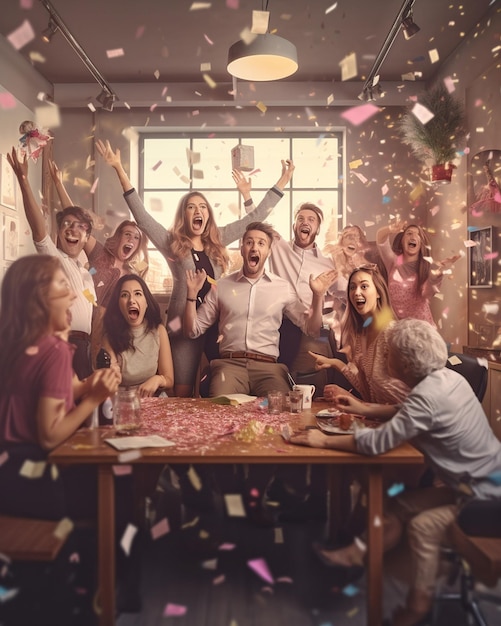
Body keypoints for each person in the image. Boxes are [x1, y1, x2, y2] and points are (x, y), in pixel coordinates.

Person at [289, 318, 501, 626]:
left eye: (389, 354)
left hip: (483, 500)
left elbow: (377, 443)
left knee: (422, 526)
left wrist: (322, 440)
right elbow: (408, 411)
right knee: (400, 505)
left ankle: (417, 606)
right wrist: (363, 408)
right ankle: (356, 554)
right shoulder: (448, 379)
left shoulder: (426, 397)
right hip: (480, 484)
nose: (385, 358)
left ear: (404, 363)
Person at [96, 139, 295, 397]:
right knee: (182, 391)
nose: (197, 211)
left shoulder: (219, 238)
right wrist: (118, 169)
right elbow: (143, 218)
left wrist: (282, 183)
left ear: (208, 215)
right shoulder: (172, 243)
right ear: (184, 215)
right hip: (182, 328)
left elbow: (253, 219)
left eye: (202, 207)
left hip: (217, 326)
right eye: (191, 207)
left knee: (220, 394)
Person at [0, 256, 140, 613]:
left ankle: (89, 580)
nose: (73, 294)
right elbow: (49, 435)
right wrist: (93, 398)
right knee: (123, 489)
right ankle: (106, 590)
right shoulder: (55, 352)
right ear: (38, 300)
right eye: (62, 286)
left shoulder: (19, 345)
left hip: (9, 476)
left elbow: (47, 393)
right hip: (37, 479)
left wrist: (84, 387)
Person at [184, 221, 337, 396]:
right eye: (249, 242)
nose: (254, 247)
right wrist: (191, 294)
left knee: (283, 413)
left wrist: (317, 296)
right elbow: (192, 330)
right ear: (242, 249)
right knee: (220, 411)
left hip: (269, 369)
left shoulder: (283, 288)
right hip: (229, 367)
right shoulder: (222, 286)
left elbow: (313, 329)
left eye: (261, 243)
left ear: (269, 252)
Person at [7, 147, 96, 380]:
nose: (72, 230)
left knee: (84, 407)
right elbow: (38, 228)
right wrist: (23, 181)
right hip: (63, 342)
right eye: (66, 225)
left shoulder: (85, 268)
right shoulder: (54, 258)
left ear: (86, 238)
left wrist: (59, 183)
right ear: (58, 232)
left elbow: (76, 216)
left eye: (79, 228)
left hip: (86, 348)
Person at [310, 264, 409, 407]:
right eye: (352, 287)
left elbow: (406, 404)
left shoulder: (392, 334)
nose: (356, 292)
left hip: (404, 422)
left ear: (379, 292)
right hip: (377, 419)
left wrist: (350, 398)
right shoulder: (359, 336)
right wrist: (336, 364)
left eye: (364, 286)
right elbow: (368, 391)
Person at [266, 203, 339, 390]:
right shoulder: (279, 246)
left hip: (308, 326)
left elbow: (346, 289)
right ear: (294, 226)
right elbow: (260, 222)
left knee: (310, 371)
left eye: (311, 220)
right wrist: (247, 195)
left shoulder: (326, 263)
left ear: (317, 229)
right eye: (300, 219)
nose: (305, 222)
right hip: (278, 321)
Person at [102, 274, 174, 397]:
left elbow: (169, 380)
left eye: (138, 294)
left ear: (146, 302)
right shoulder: (109, 337)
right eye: (124, 295)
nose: (131, 300)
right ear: (118, 305)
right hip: (122, 400)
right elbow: (109, 383)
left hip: (153, 399)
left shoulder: (159, 331)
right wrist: (112, 374)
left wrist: (157, 379)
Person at [376, 220, 460, 326]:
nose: (413, 236)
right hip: (398, 330)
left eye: (418, 234)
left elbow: (427, 294)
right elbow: (380, 239)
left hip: (421, 331)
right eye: (409, 233)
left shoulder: (426, 267)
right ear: (402, 241)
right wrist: (390, 229)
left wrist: (438, 274)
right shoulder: (393, 262)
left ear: (421, 244)